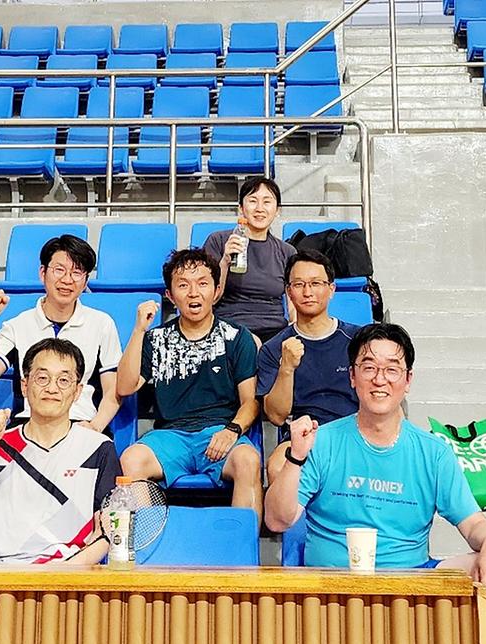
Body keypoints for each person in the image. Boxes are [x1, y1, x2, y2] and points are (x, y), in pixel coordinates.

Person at [264, 323, 486, 644]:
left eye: (391, 369)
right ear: (352, 377)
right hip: (331, 581)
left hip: (410, 578)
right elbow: (277, 519)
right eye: (368, 367)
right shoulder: (323, 441)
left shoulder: (433, 453)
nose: (379, 379)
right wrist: (295, 457)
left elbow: (473, 523)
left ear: (408, 380)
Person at [0, 234, 122, 476]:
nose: (67, 280)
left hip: (78, 426)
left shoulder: (102, 324)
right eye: (59, 270)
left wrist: (95, 426)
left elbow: (113, 392)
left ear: (85, 281)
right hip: (27, 428)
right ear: (43, 273)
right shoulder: (17, 325)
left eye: (76, 273)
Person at [116, 248, 264, 521]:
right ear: (170, 295)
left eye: (202, 283)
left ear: (216, 291)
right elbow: (125, 387)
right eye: (183, 285)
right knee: (131, 459)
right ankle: (153, 539)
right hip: (170, 436)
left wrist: (232, 430)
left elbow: (250, 402)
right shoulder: (156, 338)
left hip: (220, 431)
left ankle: (243, 546)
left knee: (249, 460)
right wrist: (139, 331)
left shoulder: (236, 337)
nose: (194, 293)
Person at [0, 338, 122, 564]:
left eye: (64, 380)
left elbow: (109, 530)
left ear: (77, 391)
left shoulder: (97, 448)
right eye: (42, 378)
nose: (52, 388)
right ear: (24, 385)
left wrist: (67, 570)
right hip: (2, 572)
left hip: (70, 572)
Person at [257, 250, 361, 483]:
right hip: (302, 435)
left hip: (354, 431)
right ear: (288, 292)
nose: (307, 292)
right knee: (277, 466)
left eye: (316, 283)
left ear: (331, 289)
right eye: (299, 284)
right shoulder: (274, 348)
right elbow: (276, 416)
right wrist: (286, 368)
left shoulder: (358, 340)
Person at [203, 176, 297, 342]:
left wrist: (295, 331)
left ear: (277, 210)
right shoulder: (218, 241)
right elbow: (209, 298)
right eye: (253, 201)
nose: (260, 208)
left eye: (267, 202)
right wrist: (225, 262)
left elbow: (293, 304)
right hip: (229, 329)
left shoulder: (287, 251)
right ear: (241, 208)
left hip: (275, 331)